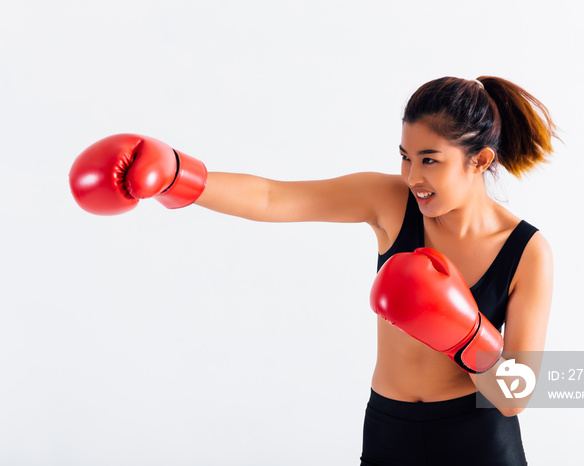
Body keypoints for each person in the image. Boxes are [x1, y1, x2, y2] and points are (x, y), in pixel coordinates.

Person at [69, 76, 556, 465]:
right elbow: (272, 197)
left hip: (477, 441)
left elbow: (514, 397)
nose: (413, 178)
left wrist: (466, 335)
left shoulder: (527, 251)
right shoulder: (391, 202)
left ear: (480, 161)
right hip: (389, 429)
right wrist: (178, 174)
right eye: (405, 158)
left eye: (430, 161)